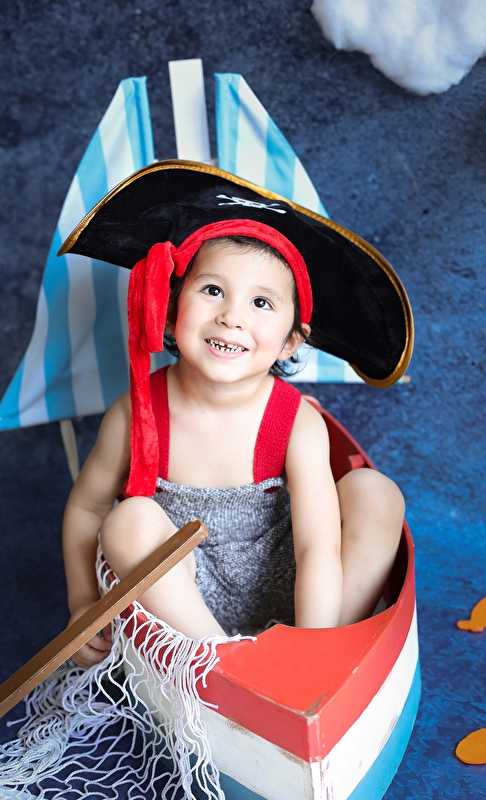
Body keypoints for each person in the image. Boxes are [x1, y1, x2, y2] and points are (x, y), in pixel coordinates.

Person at [59, 161, 413, 669]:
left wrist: (311, 644)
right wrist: (81, 603)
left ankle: (322, 659)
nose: (231, 316)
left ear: (291, 342)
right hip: (186, 606)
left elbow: (316, 547)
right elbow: (87, 508)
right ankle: (227, 669)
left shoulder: (295, 422)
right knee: (127, 520)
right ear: (172, 309)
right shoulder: (138, 412)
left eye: (262, 302)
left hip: (299, 592)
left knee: (376, 492)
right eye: (212, 290)